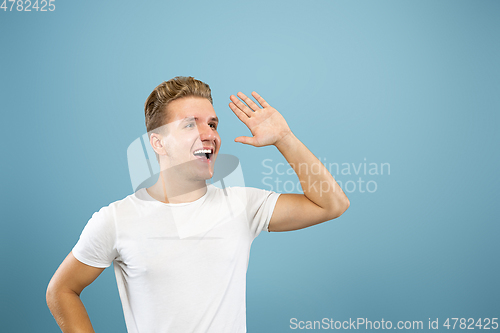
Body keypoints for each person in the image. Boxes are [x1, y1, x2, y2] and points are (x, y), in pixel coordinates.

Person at [46, 76, 350, 332]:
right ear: (158, 142)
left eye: (213, 124)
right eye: (190, 125)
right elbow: (61, 291)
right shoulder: (116, 219)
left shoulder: (243, 205)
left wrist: (285, 138)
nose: (209, 134)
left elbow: (331, 205)